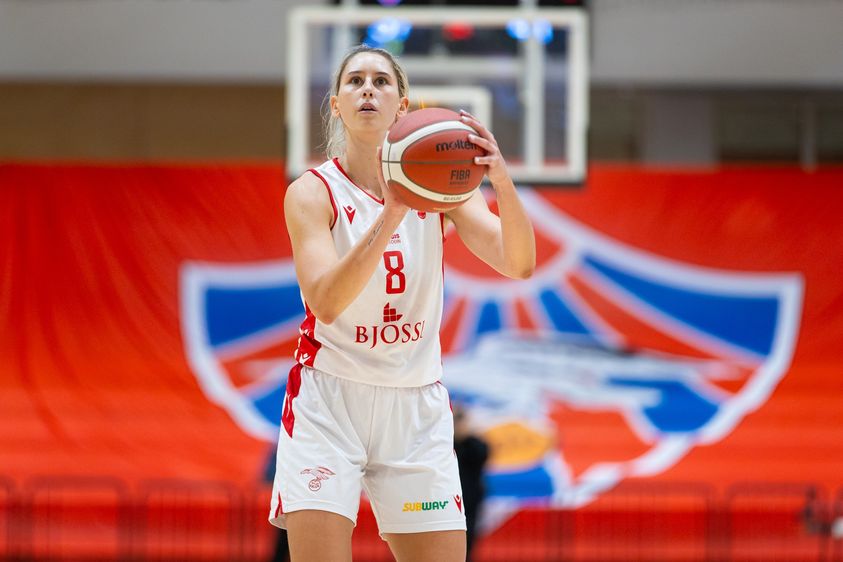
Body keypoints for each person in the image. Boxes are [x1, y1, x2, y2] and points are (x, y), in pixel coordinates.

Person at [268, 44, 535, 562]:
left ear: (403, 106)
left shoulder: (441, 190)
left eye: (381, 81)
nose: (368, 89)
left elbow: (518, 262)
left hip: (415, 404)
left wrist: (501, 180)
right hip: (329, 401)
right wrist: (391, 212)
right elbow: (326, 302)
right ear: (337, 106)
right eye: (355, 81)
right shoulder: (311, 193)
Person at [452, 403, 490, 562]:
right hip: (447, 500)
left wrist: (467, 435)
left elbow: (482, 455)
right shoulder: (445, 442)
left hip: (469, 502)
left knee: (468, 540)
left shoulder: (474, 443)